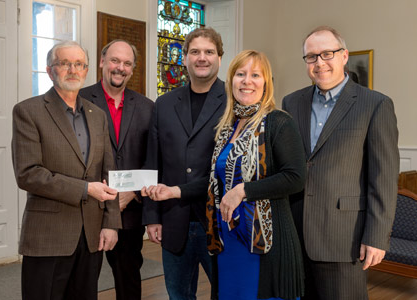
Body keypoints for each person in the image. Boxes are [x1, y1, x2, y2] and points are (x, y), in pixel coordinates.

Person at [143, 50, 306, 300]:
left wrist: (244, 191)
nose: (247, 81)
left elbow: (295, 177)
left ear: (267, 82)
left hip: (264, 242)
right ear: (231, 81)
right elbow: (214, 181)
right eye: (240, 74)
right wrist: (174, 191)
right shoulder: (228, 127)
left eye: (255, 75)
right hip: (228, 238)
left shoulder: (278, 122)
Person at [282, 26, 399, 300]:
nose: (319, 62)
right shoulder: (291, 102)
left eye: (327, 54)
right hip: (295, 232)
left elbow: (382, 178)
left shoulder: (375, 104)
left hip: (345, 237)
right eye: (311, 57)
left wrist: (377, 237)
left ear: (344, 56)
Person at [11, 41, 121, 300]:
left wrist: (111, 224)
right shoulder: (28, 111)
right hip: (48, 235)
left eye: (79, 64)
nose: (73, 70)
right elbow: (28, 173)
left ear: (86, 70)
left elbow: (109, 172)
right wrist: (85, 189)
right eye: (64, 63)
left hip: (91, 235)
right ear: (50, 71)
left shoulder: (97, 115)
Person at [142, 27, 226, 300]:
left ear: (220, 58)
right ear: (185, 58)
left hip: (219, 222)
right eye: (195, 52)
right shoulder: (164, 104)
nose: (202, 58)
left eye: (209, 52)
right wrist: (152, 216)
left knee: (225, 293)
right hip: (173, 220)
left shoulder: (234, 101)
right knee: (178, 295)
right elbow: (152, 162)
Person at [80, 39, 153, 300]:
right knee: (84, 280)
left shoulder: (147, 107)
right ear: (102, 61)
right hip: (87, 208)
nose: (119, 67)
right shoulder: (79, 99)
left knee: (128, 279)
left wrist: (131, 192)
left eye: (126, 63)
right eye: (114, 60)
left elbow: (153, 158)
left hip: (129, 210)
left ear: (132, 69)